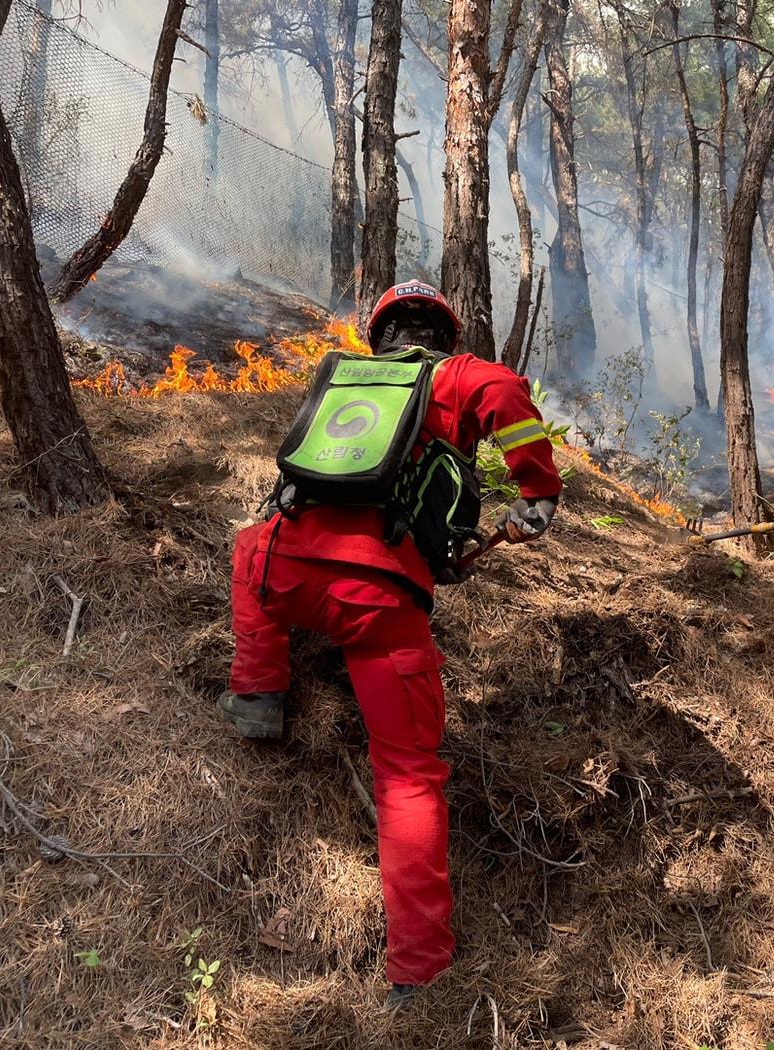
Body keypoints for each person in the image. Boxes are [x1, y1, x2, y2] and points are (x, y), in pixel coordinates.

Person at [219, 281, 562, 1009]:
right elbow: (505, 392)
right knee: (407, 778)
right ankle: (418, 970)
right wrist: (538, 491)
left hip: (283, 569)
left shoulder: (349, 377)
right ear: (441, 330)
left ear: (381, 333)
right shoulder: (455, 373)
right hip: (381, 607)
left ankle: (257, 692)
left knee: (249, 552)